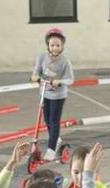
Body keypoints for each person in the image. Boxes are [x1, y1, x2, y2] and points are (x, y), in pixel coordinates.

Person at [31, 28, 74, 162]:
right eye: (52, 45)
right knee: (47, 120)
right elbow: (35, 72)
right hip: (45, 93)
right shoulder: (42, 57)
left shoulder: (65, 61)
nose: (55, 48)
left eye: (57, 45)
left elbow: (70, 79)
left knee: (54, 121)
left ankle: (51, 149)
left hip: (58, 95)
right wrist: (35, 77)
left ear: (62, 46)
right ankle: (56, 139)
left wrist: (59, 81)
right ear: (48, 45)